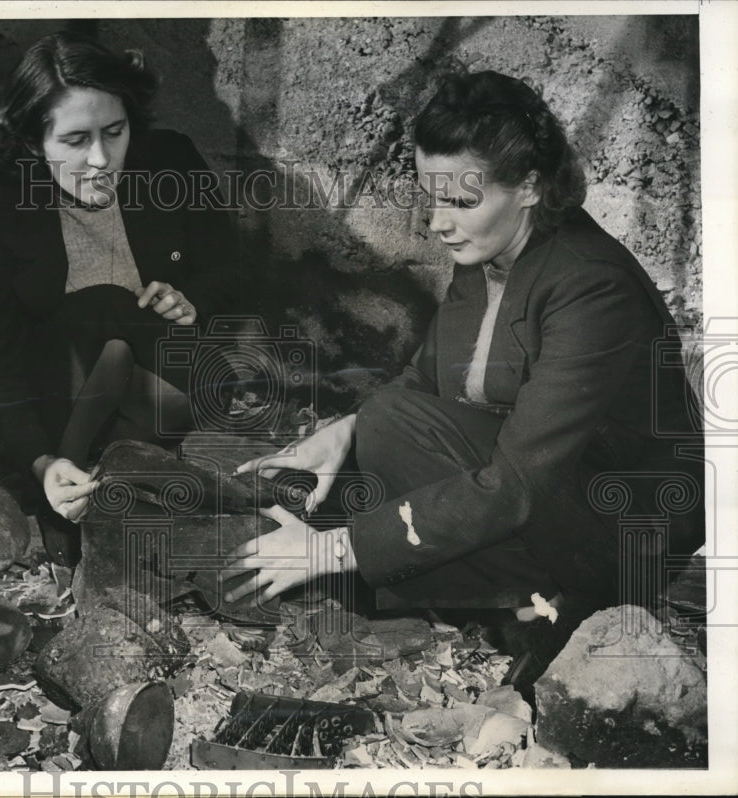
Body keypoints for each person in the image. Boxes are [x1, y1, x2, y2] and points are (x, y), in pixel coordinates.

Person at [223, 71, 703, 686]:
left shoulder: (591, 286)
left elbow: (515, 485)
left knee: (357, 528)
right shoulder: (489, 256)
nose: (438, 224)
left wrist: (331, 549)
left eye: (462, 201)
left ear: (528, 186)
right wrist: (343, 431)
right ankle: (502, 603)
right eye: (431, 198)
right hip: (554, 494)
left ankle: (559, 612)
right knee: (384, 425)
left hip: (623, 528)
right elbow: (422, 384)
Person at [0, 34, 237, 560]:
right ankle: (89, 488)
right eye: (74, 141)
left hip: (168, 380)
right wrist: (42, 463)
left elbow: (227, 265)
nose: (100, 159)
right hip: (68, 400)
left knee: (111, 310)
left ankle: (79, 504)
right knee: (95, 314)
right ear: (31, 143)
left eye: (114, 132)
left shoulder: (170, 160)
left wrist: (192, 299)